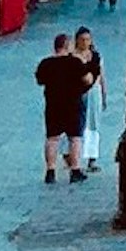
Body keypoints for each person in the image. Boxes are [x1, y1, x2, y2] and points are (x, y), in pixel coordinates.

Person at [36, 31, 89, 182]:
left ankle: (50, 171)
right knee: (75, 138)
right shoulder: (75, 62)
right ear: (67, 46)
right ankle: (75, 170)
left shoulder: (45, 63)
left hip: (53, 104)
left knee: (52, 138)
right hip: (73, 103)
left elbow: (40, 81)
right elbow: (86, 79)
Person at [73, 26, 107, 176]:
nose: (85, 42)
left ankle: (92, 157)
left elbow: (102, 77)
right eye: (82, 40)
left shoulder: (96, 56)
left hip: (94, 92)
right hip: (78, 92)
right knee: (76, 123)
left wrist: (104, 95)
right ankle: (74, 158)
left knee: (93, 123)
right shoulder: (73, 57)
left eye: (87, 39)